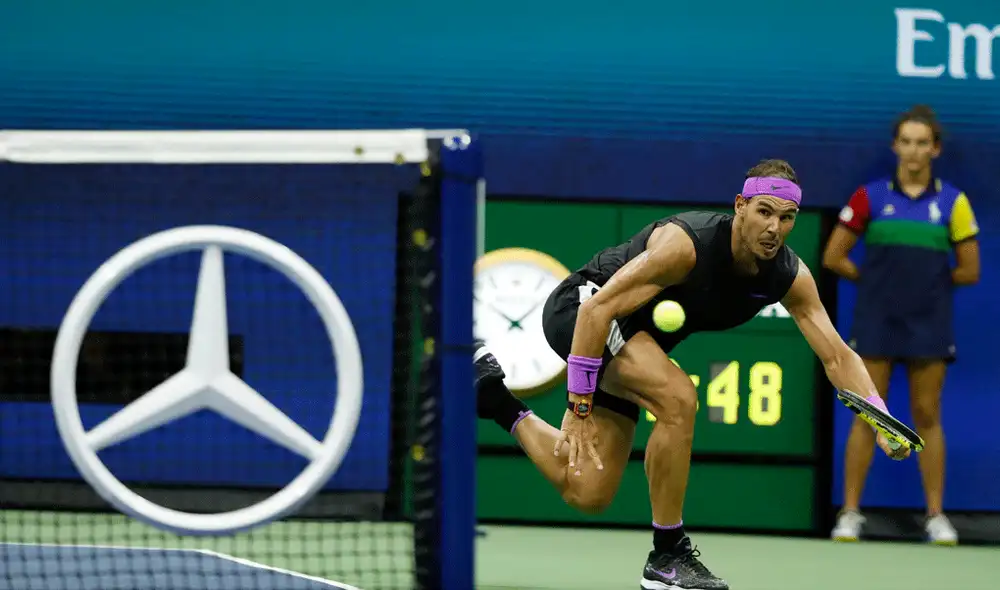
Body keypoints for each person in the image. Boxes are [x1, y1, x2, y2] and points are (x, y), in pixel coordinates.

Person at [475, 158, 910, 590]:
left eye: (787, 217)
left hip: (632, 343)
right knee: (678, 398)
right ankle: (667, 556)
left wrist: (878, 414)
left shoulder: (788, 276)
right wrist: (578, 407)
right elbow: (596, 309)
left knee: (588, 490)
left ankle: (494, 398)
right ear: (740, 206)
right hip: (581, 314)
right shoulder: (686, 246)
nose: (774, 228)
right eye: (764, 212)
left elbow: (836, 355)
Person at [823, 105, 980, 545]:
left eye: (921, 143)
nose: (913, 151)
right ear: (896, 146)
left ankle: (936, 517)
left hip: (929, 324)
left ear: (935, 149)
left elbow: (969, 269)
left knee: (927, 415)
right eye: (906, 142)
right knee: (869, 416)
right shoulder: (868, 197)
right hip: (877, 320)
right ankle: (850, 514)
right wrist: (876, 285)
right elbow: (834, 257)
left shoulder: (954, 202)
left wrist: (926, 287)